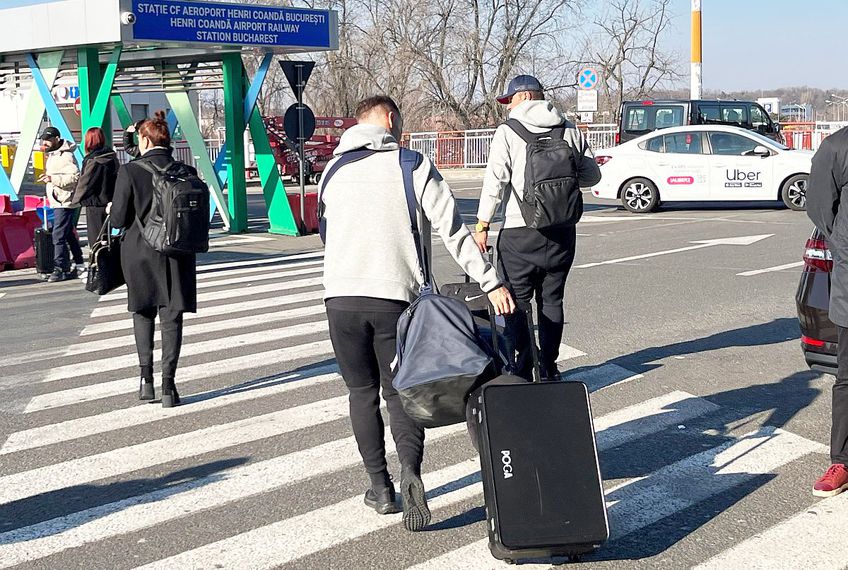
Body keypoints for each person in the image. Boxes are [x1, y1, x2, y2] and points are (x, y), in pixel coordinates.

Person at [320, 95, 515, 530]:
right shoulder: (411, 165)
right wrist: (490, 282)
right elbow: (454, 232)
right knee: (398, 393)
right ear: (391, 120)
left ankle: (380, 489)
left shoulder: (331, 171)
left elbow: (326, 234)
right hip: (395, 302)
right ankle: (410, 470)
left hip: (340, 300)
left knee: (361, 393)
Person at [473, 75, 601, 381]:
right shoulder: (568, 128)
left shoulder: (508, 131)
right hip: (561, 230)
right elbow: (592, 176)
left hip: (520, 232)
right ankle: (550, 367)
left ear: (525, 97)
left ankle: (524, 364)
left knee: (515, 302)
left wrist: (482, 224)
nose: (508, 107)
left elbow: (495, 182)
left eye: (510, 100)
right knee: (553, 300)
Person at [110, 112, 197, 408]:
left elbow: (118, 219)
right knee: (172, 317)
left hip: (139, 252)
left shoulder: (130, 171)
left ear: (145, 140)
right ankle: (169, 387)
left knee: (143, 312)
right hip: (177, 252)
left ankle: (145, 381)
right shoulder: (186, 170)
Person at [806, 126, 848, 497]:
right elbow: (820, 209)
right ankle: (842, 460)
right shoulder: (837, 147)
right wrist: (844, 247)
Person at [39, 126, 84, 282]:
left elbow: (74, 177)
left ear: (57, 139)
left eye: (48, 140)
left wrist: (52, 179)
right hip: (59, 199)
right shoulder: (54, 154)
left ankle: (59, 268)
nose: (45, 143)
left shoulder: (66, 156)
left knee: (58, 235)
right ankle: (79, 263)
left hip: (64, 201)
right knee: (68, 233)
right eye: (44, 140)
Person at [71, 127, 119, 253]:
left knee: (95, 241)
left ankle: (98, 263)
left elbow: (85, 183)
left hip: (94, 204)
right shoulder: (112, 157)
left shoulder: (92, 160)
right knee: (107, 239)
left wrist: (74, 200)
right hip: (109, 202)